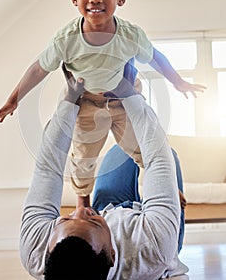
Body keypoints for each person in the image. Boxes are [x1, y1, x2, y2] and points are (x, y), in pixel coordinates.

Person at [0, 0, 205, 205]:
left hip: (124, 101)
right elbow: (38, 68)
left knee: (146, 146)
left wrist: (178, 82)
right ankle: (83, 205)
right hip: (87, 103)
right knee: (83, 156)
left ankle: (165, 187)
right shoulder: (66, 39)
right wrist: (15, 99)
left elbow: (156, 57)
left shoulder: (130, 35)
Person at [19, 66, 189, 279]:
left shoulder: (35, 250)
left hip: (109, 208)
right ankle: (160, 208)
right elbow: (157, 158)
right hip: (145, 230)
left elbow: (47, 169)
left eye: (65, 219)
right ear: (112, 255)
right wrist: (130, 96)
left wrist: (69, 102)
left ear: (48, 250)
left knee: (121, 149)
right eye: (91, 221)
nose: (80, 211)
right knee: (168, 156)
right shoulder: (154, 249)